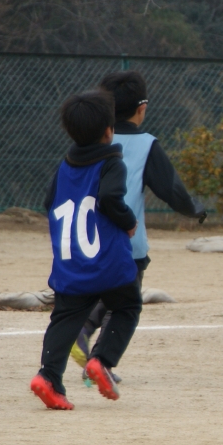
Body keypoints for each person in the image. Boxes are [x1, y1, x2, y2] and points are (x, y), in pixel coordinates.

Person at [69, 71, 206, 384]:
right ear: (141, 108)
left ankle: (81, 333)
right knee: (126, 305)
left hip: (84, 239)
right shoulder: (146, 145)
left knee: (104, 293)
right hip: (127, 243)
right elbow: (170, 189)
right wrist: (195, 209)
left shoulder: (88, 141)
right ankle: (100, 362)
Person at [30, 90, 141, 410]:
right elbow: (109, 198)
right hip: (107, 262)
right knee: (127, 306)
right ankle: (101, 360)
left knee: (64, 319)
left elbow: (49, 202)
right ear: (109, 131)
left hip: (71, 263)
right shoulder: (111, 163)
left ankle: (48, 377)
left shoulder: (64, 167)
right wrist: (128, 222)